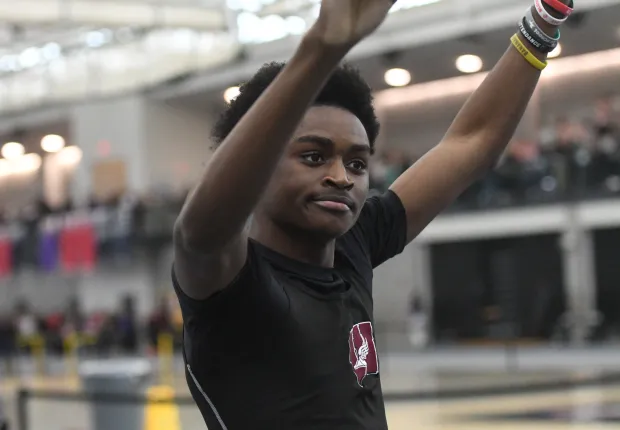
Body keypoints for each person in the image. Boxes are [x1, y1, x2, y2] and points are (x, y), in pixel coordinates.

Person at [172, 0, 573, 428]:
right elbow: (199, 232)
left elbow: (470, 143)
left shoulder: (354, 246)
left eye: (358, 163)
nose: (341, 177)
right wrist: (323, 48)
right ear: (260, 165)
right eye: (313, 156)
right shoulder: (233, 285)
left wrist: (545, 18)